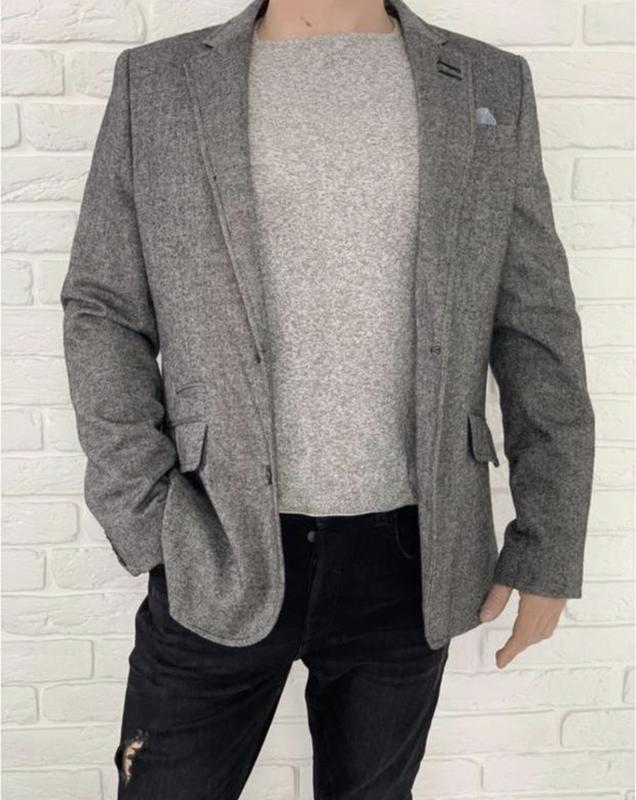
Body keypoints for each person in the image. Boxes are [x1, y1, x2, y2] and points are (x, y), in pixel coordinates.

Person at [60, 0, 595, 796]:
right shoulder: (159, 83)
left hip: (412, 558)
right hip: (216, 537)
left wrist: (548, 545)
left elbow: (535, 325)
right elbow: (104, 307)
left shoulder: (488, 84)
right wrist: (146, 513)